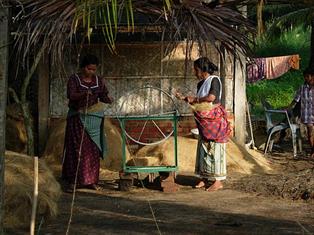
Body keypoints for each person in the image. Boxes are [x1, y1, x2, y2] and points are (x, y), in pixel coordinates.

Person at [176, 57, 230, 191]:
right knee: (204, 148)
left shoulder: (214, 80)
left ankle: (217, 181)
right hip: (203, 122)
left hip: (214, 121)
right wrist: (184, 98)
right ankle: (204, 177)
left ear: (203, 69)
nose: (195, 72)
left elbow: (211, 98)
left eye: (196, 70)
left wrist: (196, 99)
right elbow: (198, 102)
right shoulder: (200, 84)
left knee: (216, 148)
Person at [62, 54, 113, 192]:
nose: (91, 72)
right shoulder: (74, 79)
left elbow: (103, 95)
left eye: (93, 69)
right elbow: (71, 95)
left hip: (93, 119)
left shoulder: (99, 80)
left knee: (93, 150)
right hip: (77, 118)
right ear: (83, 67)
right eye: (89, 69)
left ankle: (91, 181)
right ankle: (74, 182)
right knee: (76, 149)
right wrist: (84, 94)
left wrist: (108, 99)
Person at [287, 67, 314, 158]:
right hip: (307, 115)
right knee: (310, 133)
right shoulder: (302, 88)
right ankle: (312, 151)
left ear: (312, 77)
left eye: (308, 76)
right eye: (305, 77)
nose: (306, 78)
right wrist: (288, 107)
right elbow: (296, 100)